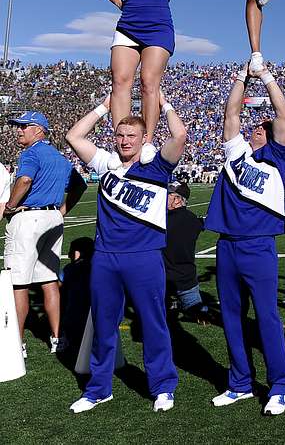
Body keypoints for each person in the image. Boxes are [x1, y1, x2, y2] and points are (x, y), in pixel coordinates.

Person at [64, 92, 187, 413]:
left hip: (145, 256)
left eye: (131, 135)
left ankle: (162, 386)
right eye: (119, 134)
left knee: (153, 323)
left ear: (144, 138)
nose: (124, 140)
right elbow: (73, 135)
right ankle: (98, 388)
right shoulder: (106, 164)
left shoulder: (158, 166)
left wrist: (163, 103)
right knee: (104, 326)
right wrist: (105, 105)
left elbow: (181, 135)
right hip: (105, 257)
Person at [103, 0, 234, 164]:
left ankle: (147, 141)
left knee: (149, 82)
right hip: (127, 26)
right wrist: (121, 4)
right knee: (120, 82)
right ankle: (121, 141)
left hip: (158, 27)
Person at [204, 64, 285, 415]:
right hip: (227, 245)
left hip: (259, 245)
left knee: (267, 317)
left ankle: (280, 385)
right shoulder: (236, 153)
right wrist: (242, 76)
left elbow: (282, 114)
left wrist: (267, 76)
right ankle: (240, 382)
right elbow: (231, 113)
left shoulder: (278, 158)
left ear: (269, 136)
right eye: (254, 127)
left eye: (260, 128)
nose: (254, 129)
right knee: (231, 317)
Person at [4, 111, 86, 357]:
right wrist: (63, 209)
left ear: (39, 130)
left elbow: (25, 180)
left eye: (24, 126)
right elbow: (79, 185)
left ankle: (17, 344)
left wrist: (9, 205)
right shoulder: (59, 158)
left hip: (29, 218)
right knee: (49, 280)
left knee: (18, 283)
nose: (19, 130)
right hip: (52, 218)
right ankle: (57, 338)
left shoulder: (31, 153)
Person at [162, 180, 208, 322]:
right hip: (187, 279)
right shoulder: (193, 219)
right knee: (200, 313)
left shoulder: (160, 220)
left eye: (168, 195)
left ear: (177, 200)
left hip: (164, 280)